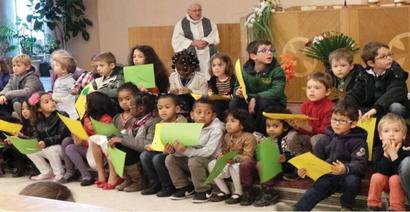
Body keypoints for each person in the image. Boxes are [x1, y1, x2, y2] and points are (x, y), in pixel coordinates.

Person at [274, 100, 368, 211]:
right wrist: (305, 170)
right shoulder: (325, 138)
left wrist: (345, 169)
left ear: (353, 123)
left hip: (347, 175)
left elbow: (360, 164)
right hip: (329, 174)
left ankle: (346, 207)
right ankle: (297, 209)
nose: (336, 123)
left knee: (353, 181)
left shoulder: (359, 142)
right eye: (334, 119)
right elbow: (316, 159)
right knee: (320, 184)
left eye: (342, 121)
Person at [165, 98, 225, 203]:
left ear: (214, 115)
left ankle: (204, 190)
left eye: (207, 113)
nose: (202, 116)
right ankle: (183, 187)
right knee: (170, 158)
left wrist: (186, 151)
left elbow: (208, 152)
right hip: (195, 160)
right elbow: (186, 149)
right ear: (192, 115)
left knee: (194, 160)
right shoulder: (191, 128)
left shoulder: (217, 129)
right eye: (199, 112)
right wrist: (174, 150)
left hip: (212, 162)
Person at [87, 83, 138, 189]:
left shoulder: (138, 116)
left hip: (131, 145)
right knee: (101, 140)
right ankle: (107, 175)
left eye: (128, 98)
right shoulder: (117, 117)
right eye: (121, 99)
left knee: (111, 143)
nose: (124, 102)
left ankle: (116, 176)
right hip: (118, 143)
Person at [229, 40, 286, 133]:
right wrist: (237, 91)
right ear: (253, 56)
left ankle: (260, 133)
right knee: (234, 102)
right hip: (251, 99)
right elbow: (237, 86)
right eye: (264, 50)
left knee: (263, 103)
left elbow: (277, 91)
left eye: (271, 50)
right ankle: (242, 132)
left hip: (273, 102)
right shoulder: (245, 71)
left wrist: (256, 97)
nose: (269, 53)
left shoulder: (277, 70)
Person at [60, 92, 116, 186]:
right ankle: (70, 172)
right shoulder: (87, 117)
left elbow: (103, 140)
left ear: (94, 105)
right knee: (67, 141)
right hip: (88, 145)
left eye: (87, 103)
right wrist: (76, 133)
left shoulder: (106, 119)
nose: (84, 105)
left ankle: (87, 176)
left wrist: (92, 132)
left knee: (70, 148)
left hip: (100, 150)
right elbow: (83, 135)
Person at [108, 92, 159, 192]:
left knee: (126, 148)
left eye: (131, 107)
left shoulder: (153, 121)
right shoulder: (136, 120)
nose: (129, 109)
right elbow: (128, 136)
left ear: (140, 109)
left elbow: (146, 144)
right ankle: (128, 178)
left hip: (146, 152)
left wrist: (123, 140)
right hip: (136, 149)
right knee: (117, 144)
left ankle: (139, 181)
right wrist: (117, 138)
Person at [346, 41, 410, 120]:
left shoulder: (395, 71)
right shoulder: (364, 76)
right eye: (383, 57)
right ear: (371, 63)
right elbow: (353, 95)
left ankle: (396, 130)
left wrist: (376, 108)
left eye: (389, 55)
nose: (389, 58)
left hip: (386, 109)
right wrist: (354, 109)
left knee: (396, 107)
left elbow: (397, 90)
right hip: (374, 111)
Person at [140, 94, 186, 197]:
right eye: (160, 108)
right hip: (163, 150)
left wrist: (170, 149)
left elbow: (182, 142)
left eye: (167, 107)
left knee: (158, 158)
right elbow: (158, 141)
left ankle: (168, 186)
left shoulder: (181, 122)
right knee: (144, 155)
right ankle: (155, 184)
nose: (163, 111)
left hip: (176, 153)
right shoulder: (161, 123)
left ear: (177, 109)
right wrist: (151, 146)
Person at [208, 109, 256, 205]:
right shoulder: (226, 136)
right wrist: (221, 156)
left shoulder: (249, 137)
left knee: (234, 166)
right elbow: (225, 151)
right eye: (227, 121)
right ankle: (224, 191)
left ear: (242, 125)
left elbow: (248, 157)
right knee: (212, 164)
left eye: (232, 121)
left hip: (242, 166)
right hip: (229, 163)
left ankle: (238, 192)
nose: (228, 124)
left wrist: (233, 158)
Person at [25, 92, 71, 182]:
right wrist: (20, 139)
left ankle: (59, 174)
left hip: (61, 148)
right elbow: (36, 137)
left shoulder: (62, 115)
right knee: (29, 150)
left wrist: (46, 142)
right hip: (47, 147)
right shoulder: (36, 120)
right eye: (47, 102)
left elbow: (62, 135)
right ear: (39, 108)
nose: (52, 102)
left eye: (52, 100)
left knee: (49, 148)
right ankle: (46, 172)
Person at [367, 113, 408, 211]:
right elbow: (379, 171)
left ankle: (397, 208)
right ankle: (373, 206)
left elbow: (402, 174)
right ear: (380, 136)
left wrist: (394, 155)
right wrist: (386, 154)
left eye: (396, 131)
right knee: (376, 176)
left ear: (404, 135)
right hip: (385, 184)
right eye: (386, 131)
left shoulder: (406, 152)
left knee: (395, 178)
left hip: (402, 186)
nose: (391, 134)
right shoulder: (377, 151)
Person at [171, 3, 219, 79]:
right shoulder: (180, 24)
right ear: (189, 11)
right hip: (191, 53)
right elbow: (176, 40)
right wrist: (192, 43)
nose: (197, 13)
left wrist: (206, 41)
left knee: (209, 74)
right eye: (194, 11)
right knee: (195, 76)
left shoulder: (209, 22)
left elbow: (214, 35)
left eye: (199, 10)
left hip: (207, 53)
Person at [288, 72, 333, 149]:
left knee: (316, 139)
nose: (311, 90)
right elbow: (303, 130)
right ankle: (299, 158)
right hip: (309, 135)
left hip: (324, 138)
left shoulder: (330, 107)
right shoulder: (305, 105)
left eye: (317, 88)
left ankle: (317, 160)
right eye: (309, 87)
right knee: (292, 136)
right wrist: (297, 126)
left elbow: (327, 131)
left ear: (327, 92)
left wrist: (309, 128)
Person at [264, 106, 311, 181]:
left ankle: (294, 174)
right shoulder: (271, 139)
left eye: (275, 126)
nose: (271, 129)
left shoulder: (291, 137)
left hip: (295, 165)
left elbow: (298, 155)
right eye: (268, 126)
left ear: (285, 127)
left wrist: (286, 157)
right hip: (283, 165)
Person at [169, 49, 207, 115]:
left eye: (185, 69)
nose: (181, 72)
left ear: (193, 66)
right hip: (178, 109)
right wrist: (171, 92)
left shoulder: (201, 78)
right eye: (178, 69)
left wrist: (192, 92)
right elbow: (170, 91)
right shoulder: (173, 76)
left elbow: (205, 96)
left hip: (196, 109)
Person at [207, 53, 236, 120]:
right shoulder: (212, 79)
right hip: (218, 101)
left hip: (230, 101)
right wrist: (210, 94)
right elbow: (212, 92)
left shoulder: (233, 78)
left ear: (227, 66)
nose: (216, 68)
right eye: (214, 66)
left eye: (220, 65)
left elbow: (235, 93)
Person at [51, 55, 77, 119]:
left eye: (56, 65)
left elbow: (73, 95)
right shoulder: (60, 78)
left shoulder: (69, 81)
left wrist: (61, 100)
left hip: (67, 109)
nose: (54, 67)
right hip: (59, 105)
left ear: (64, 70)